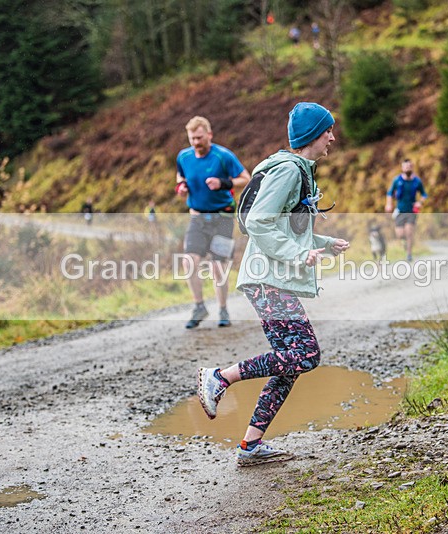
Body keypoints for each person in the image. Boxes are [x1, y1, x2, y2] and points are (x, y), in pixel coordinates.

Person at [197, 102, 350, 466]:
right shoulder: (289, 171)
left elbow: (286, 226)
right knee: (306, 354)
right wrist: (299, 256)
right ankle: (220, 377)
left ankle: (251, 445)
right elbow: (261, 223)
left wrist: (324, 244)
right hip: (268, 279)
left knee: (291, 362)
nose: (332, 136)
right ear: (313, 134)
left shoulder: (297, 169)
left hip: (268, 277)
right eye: (327, 130)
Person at [175, 116, 250, 329]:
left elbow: (246, 177)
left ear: (209, 135)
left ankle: (223, 308)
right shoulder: (184, 156)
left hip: (222, 218)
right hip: (197, 217)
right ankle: (199, 306)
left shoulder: (223, 156)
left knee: (218, 267)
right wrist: (181, 188)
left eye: (200, 138)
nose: (196, 143)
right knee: (189, 262)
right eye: (192, 139)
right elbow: (180, 177)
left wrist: (223, 183)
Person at [385, 158, 426, 262]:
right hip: (399, 211)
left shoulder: (417, 181)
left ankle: (409, 254)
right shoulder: (397, 180)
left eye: (409, 166)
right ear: (402, 168)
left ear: (412, 167)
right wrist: (389, 204)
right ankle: (404, 243)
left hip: (411, 211)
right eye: (405, 166)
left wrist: (420, 202)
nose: (407, 168)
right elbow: (390, 193)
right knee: (400, 234)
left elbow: (424, 194)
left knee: (409, 232)